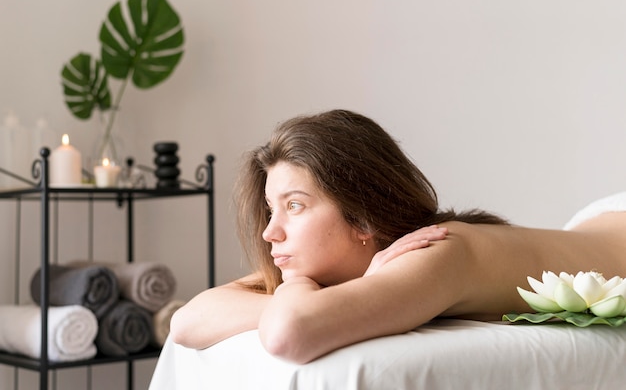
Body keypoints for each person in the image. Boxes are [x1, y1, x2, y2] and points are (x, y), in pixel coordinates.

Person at [169, 109, 626, 364]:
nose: (270, 232)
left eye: (294, 206)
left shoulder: (432, 254)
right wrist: (297, 290)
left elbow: (289, 333)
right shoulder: (334, 259)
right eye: (271, 209)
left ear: (363, 219)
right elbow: (187, 322)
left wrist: (298, 292)